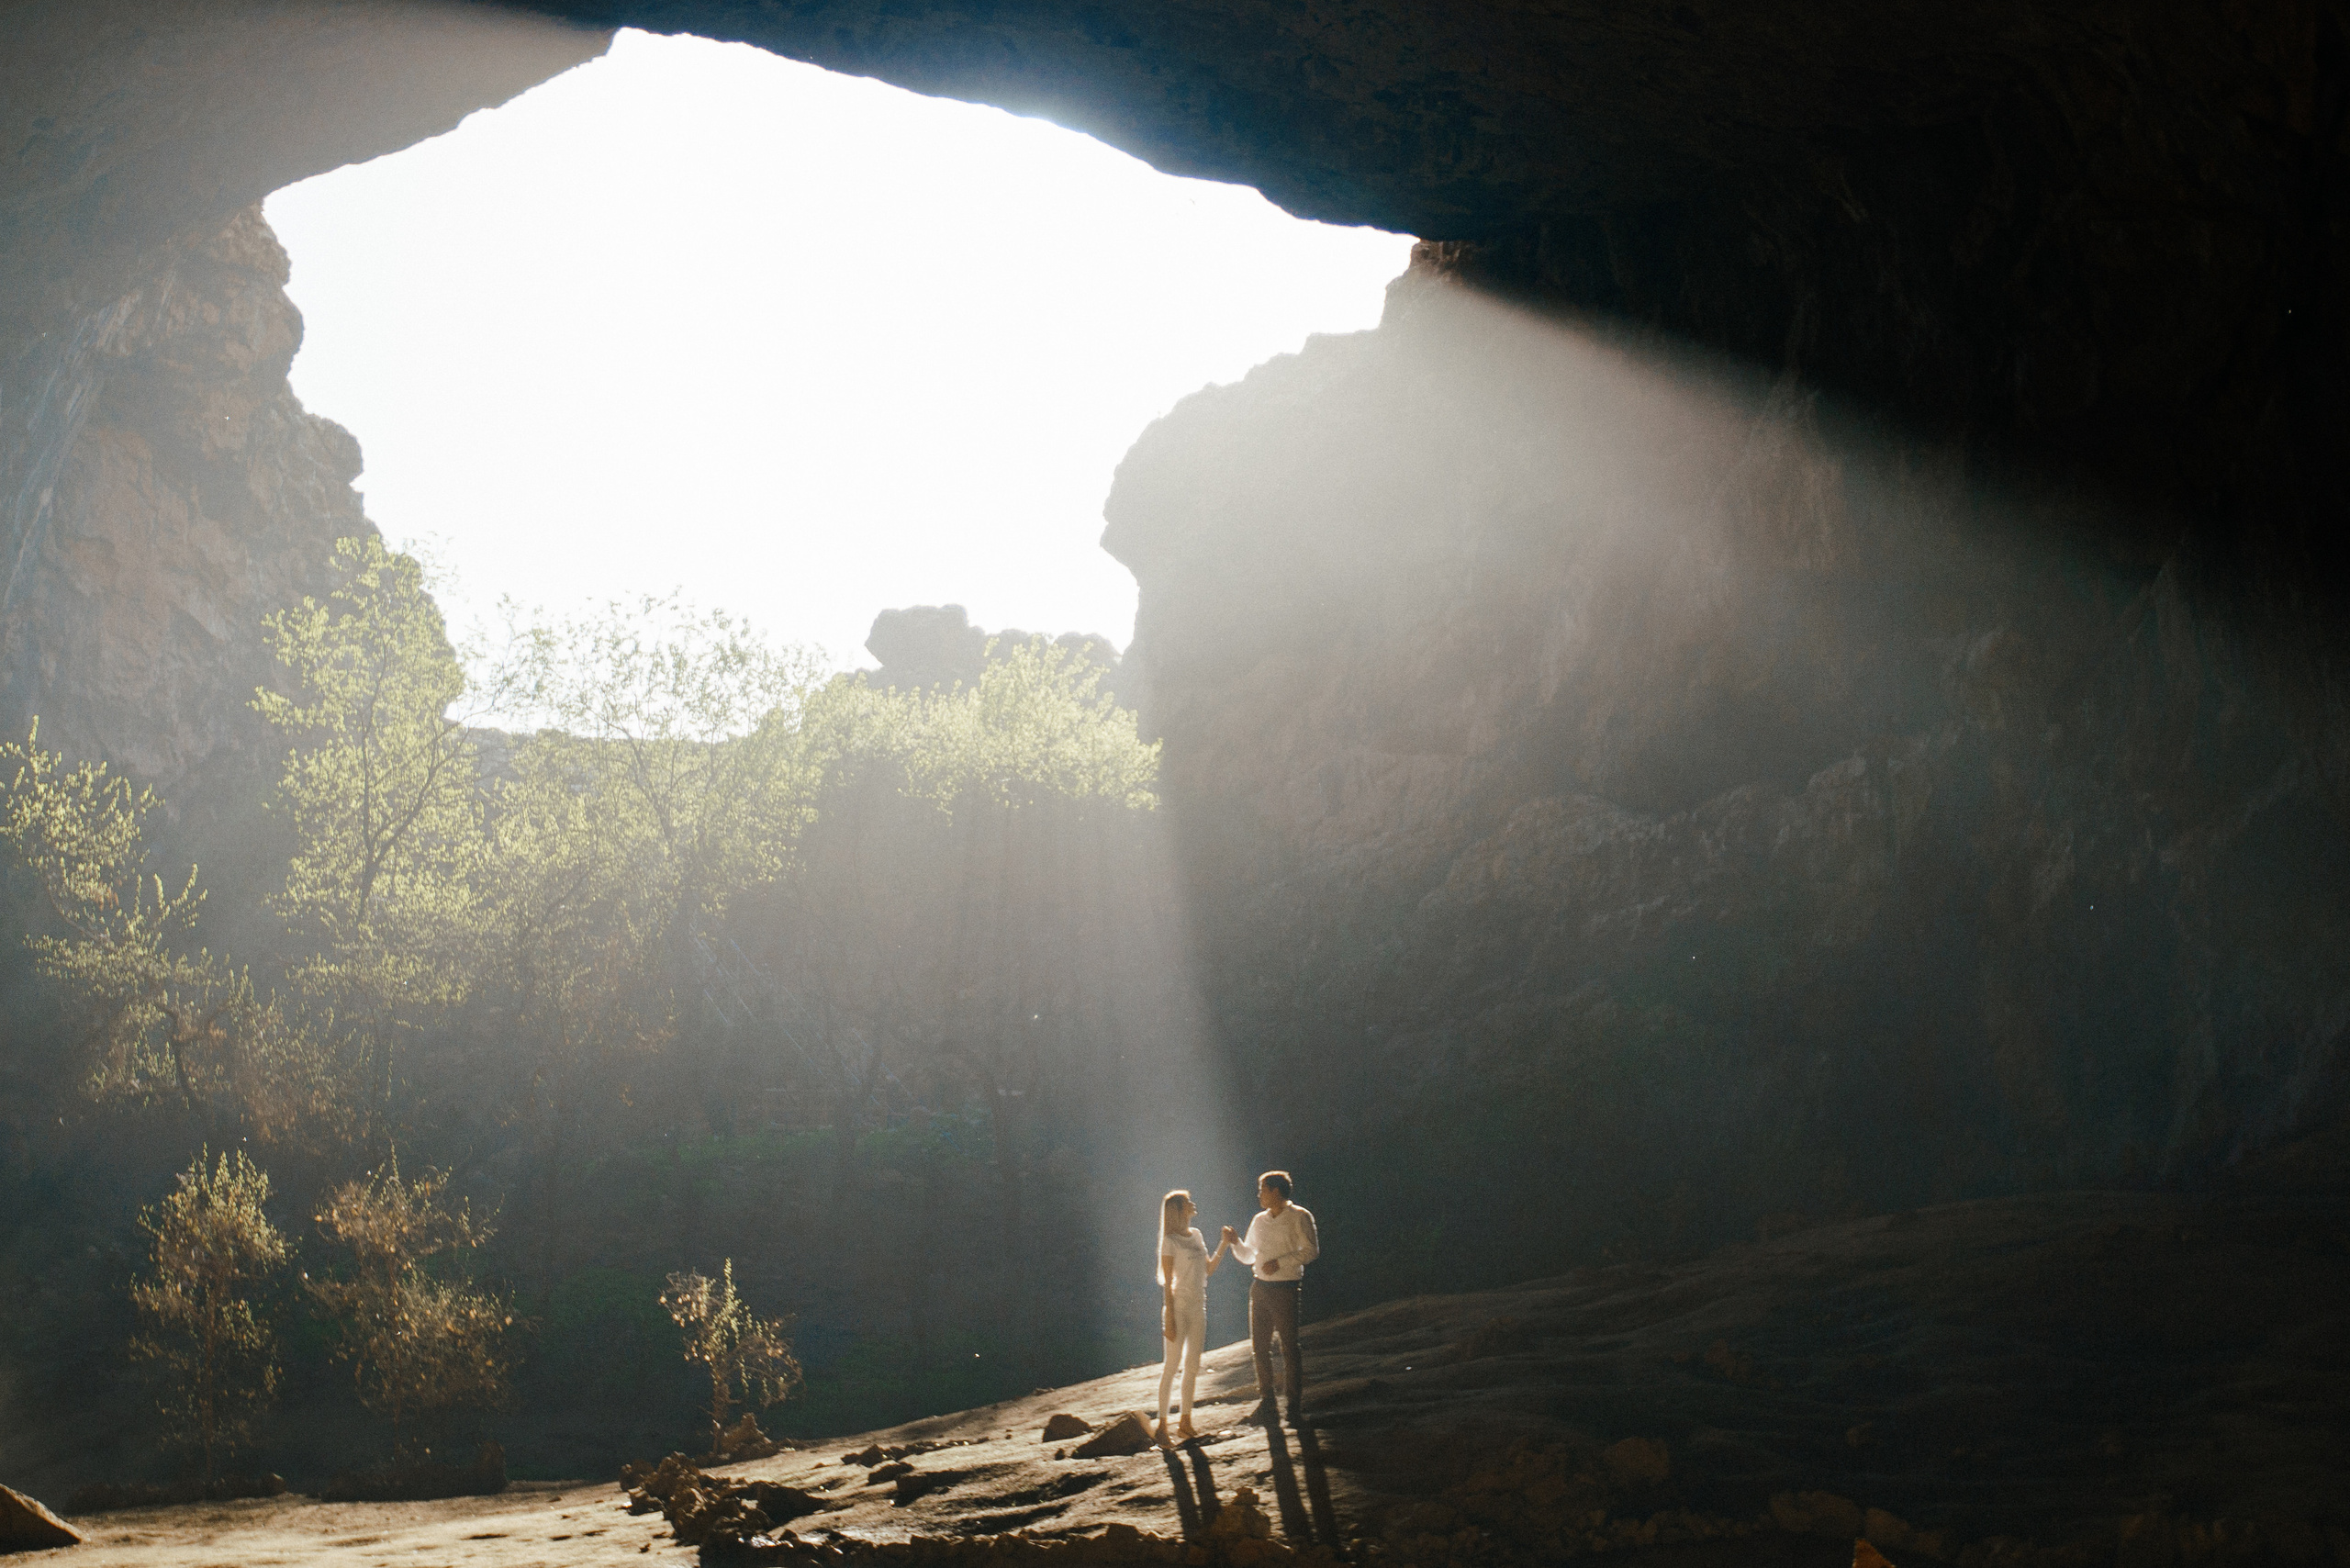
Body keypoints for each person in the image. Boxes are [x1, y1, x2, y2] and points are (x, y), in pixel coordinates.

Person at [1222, 1169, 1319, 1425]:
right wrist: (1235, 1242)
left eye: (1262, 1190)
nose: (1259, 1195)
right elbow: (1249, 1256)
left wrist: (1281, 1262)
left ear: (1275, 1191)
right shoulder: (1259, 1220)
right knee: (1259, 1347)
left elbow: (1311, 1251)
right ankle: (1267, 1400)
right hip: (1260, 1287)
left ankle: (1293, 1405)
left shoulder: (1299, 1217)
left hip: (1286, 1288)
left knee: (1289, 1346)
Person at [1155, 1189, 1229, 1446]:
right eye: (1187, 1203)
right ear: (1177, 1210)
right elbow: (1167, 1284)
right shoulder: (1170, 1241)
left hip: (1199, 1306)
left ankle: (1185, 1422)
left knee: (1193, 1365)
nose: (1193, 1204)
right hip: (1179, 1307)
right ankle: (1162, 1425)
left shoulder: (1196, 1235)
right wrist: (1170, 1319)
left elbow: (1207, 1269)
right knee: (1171, 1366)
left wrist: (1224, 1244)